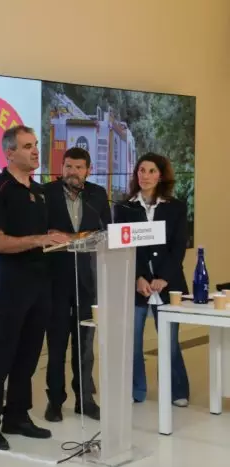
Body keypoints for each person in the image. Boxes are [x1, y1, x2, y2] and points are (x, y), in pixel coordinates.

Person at [0, 125, 69, 451]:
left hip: (40, 285)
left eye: (35, 145)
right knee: (2, 354)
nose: (35, 151)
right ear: (10, 153)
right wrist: (39, 239)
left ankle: (16, 415)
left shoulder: (41, 192)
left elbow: (45, 236)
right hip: (11, 285)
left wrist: (66, 240)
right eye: (28, 146)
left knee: (29, 354)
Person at [113, 153, 190, 405]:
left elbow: (178, 246)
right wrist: (137, 277)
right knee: (133, 342)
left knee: (170, 341)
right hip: (136, 285)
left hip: (168, 285)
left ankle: (177, 391)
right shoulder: (124, 208)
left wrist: (164, 277)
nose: (145, 176)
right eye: (141, 170)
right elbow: (122, 247)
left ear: (161, 175)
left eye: (151, 171)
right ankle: (137, 390)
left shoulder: (176, 207)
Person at [42, 147, 111, 422]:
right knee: (56, 344)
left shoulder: (96, 195)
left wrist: (73, 236)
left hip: (86, 281)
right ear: (62, 167)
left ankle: (85, 399)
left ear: (88, 170)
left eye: (79, 167)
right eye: (68, 166)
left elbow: (104, 231)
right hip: (54, 280)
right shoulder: (45, 193)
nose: (73, 172)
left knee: (84, 345)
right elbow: (42, 232)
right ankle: (55, 401)